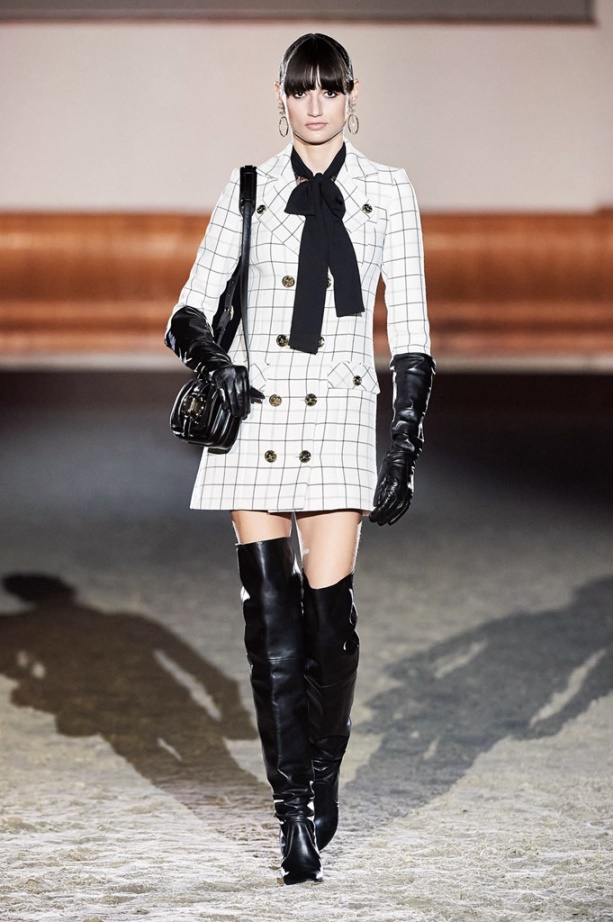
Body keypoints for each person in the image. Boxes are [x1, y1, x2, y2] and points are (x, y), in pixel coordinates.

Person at [165, 33, 435, 885]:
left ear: (352, 94)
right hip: (257, 420)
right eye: (299, 88)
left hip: (345, 417)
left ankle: (323, 767)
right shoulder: (248, 186)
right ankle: (290, 810)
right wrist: (215, 361)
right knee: (271, 628)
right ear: (280, 98)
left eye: (329, 88)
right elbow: (187, 311)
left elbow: (412, 329)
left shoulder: (388, 190)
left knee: (328, 625)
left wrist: (404, 442)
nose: (314, 104)